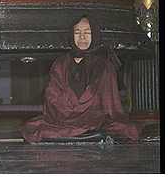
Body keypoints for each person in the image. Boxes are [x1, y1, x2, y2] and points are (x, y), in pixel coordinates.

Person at [21, 15, 140, 144]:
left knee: (123, 128)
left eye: (87, 33)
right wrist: (68, 115)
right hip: (62, 119)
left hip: (94, 119)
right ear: (71, 36)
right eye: (77, 33)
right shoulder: (60, 63)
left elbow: (108, 103)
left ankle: (78, 133)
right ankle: (82, 133)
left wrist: (85, 114)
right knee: (31, 127)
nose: (82, 37)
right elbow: (52, 97)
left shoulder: (104, 65)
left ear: (94, 35)